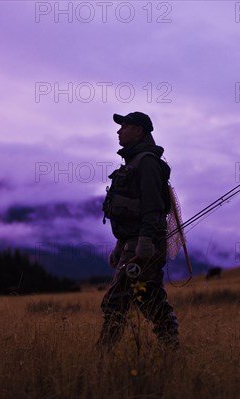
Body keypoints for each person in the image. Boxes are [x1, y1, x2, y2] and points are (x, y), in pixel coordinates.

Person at [98, 111, 179, 351]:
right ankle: (172, 348)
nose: (118, 131)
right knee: (148, 297)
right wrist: (120, 244)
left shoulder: (147, 163)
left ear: (139, 131)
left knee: (117, 300)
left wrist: (144, 243)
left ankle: (103, 354)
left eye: (124, 126)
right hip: (131, 243)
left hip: (143, 243)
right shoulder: (135, 161)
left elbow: (153, 206)